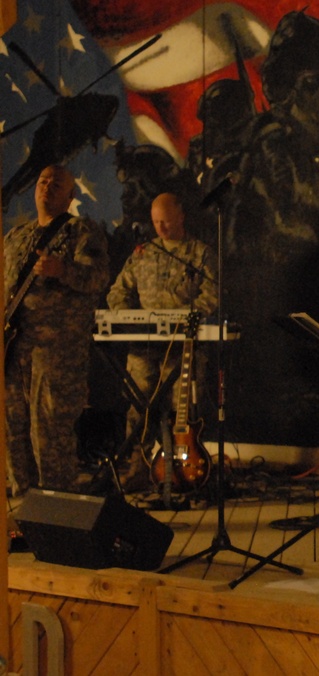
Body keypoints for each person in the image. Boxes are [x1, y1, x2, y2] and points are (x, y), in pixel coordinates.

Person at [4, 165, 110, 495]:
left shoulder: (81, 232)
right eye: (42, 181)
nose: (47, 187)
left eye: (57, 183)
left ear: (70, 195)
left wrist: (61, 269)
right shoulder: (15, 237)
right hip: (14, 350)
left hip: (57, 352)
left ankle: (57, 517)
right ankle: (25, 517)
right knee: (13, 432)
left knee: (49, 435)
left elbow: (97, 279)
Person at [106, 193, 218, 492]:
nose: (161, 228)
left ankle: (180, 470)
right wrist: (130, 318)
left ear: (181, 216)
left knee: (180, 408)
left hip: (183, 347)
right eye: (156, 222)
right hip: (143, 347)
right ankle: (138, 467)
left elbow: (212, 296)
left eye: (166, 220)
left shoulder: (199, 254)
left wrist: (184, 316)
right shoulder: (143, 253)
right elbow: (118, 291)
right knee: (138, 405)